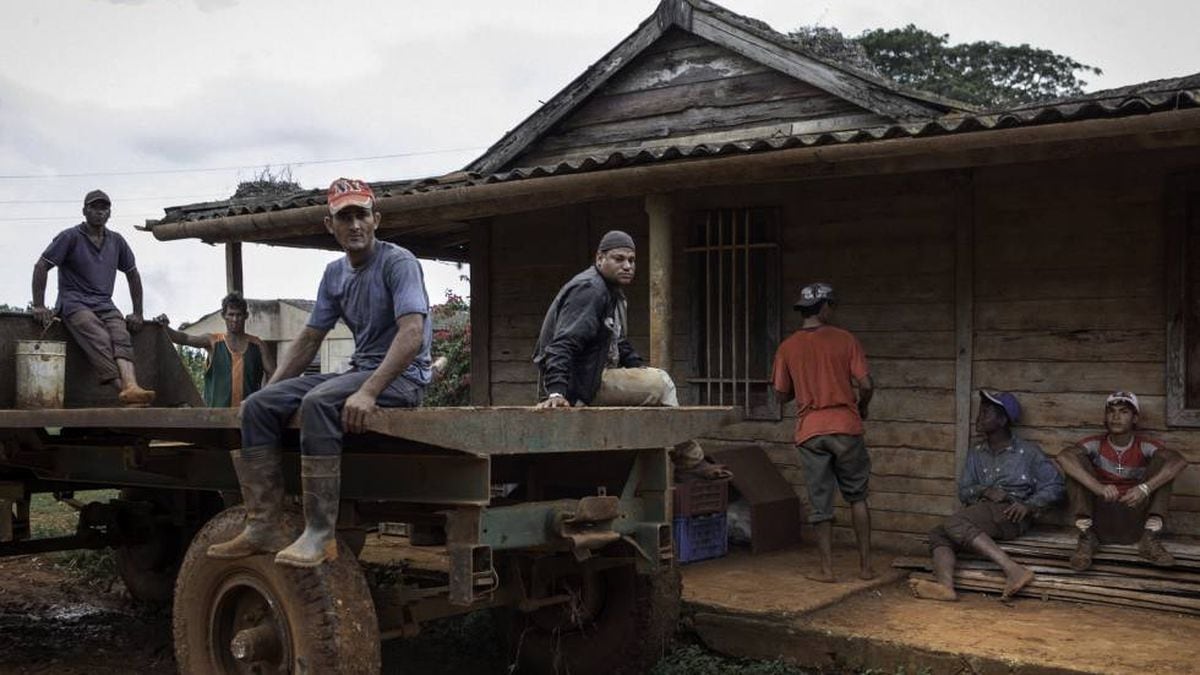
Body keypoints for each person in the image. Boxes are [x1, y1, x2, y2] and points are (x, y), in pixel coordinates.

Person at [207, 178, 432, 567]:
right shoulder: (334, 275)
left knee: (319, 401)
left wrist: (369, 393)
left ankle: (320, 533)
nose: (355, 225)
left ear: (376, 219)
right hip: (359, 371)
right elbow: (310, 340)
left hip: (402, 377)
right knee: (259, 407)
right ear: (331, 226)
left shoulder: (399, 262)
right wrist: (266, 392)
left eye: (361, 214)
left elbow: (411, 336)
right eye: (344, 217)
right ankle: (264, 525)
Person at [532, 230, 729, 480]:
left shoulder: (612, 292)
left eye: (632, 260)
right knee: (662, 383)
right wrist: (557, 393)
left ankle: (670, 457)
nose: (627, 266)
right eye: (619, 259)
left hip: (591, 377)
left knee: (654, 380)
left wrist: (639, 368)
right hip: (579, 384)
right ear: (599, 258)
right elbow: (562, 345)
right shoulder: (590, 289)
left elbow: (618, 343)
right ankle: (689, 460)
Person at [910, 391, 1063, 601]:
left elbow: (1055, 485)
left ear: (1002, 420)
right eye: (980, 411)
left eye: (986, 412)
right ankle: (945, 588)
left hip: (1012, 514)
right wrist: (984, 490)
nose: (979, 417)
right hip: (984, 512)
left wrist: (1029, 505)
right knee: (938, 533)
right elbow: (964, 490)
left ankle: (1014, 570)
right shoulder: (977, 453)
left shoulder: (1028, 452)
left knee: (955, 522)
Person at [772, 282, 874, 582]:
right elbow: (866, 384)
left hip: (811, 432)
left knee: (821, 504)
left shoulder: (788, 347)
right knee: (858, 497)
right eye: (833, 305)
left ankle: (827, 570)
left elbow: (780, 394)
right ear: (825, 307)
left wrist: (802, 389)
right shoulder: (846, 339)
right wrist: (862, 407)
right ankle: (866, 568)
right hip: (846, 427)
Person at [30, 189, 155, 406]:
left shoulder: (116, 241)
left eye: (103, 208)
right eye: (94, 208)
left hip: (104, 303)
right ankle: (124, 390)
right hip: (74, 302)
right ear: (84, 211)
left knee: (120, 333)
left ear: (109, 213)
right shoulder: (69, 237)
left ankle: (132, 385)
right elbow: (42, 265)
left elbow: (133, 274)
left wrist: (138, 312)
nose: (99, 212)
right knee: (98, 335)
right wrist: (39, 305)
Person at [1056, 391, 1187, 570]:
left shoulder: (1144, 445)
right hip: (1100, 520)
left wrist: (1145, 488)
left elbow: (1179, 461)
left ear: (1135, 418)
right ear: (1105, 416)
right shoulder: (1095, 443)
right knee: (1075, 463)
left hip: (1135, 520)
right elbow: (1064, 457)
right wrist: (1098, 487)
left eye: (1124, 412)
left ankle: (1150, 539)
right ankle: (1086, 538)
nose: (1116, 417)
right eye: (1111, 411)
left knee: (1165, 464)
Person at [156, 292, 276, 408]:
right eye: (231, 314)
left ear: (246, 316)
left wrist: (263, 400)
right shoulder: (213, 341)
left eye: (239, 315)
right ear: (224, 316)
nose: (235, 319)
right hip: (217, 419)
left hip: (249, 416)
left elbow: (274, 375)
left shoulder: (258, 345)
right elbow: (185, 338)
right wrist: (165, 328)